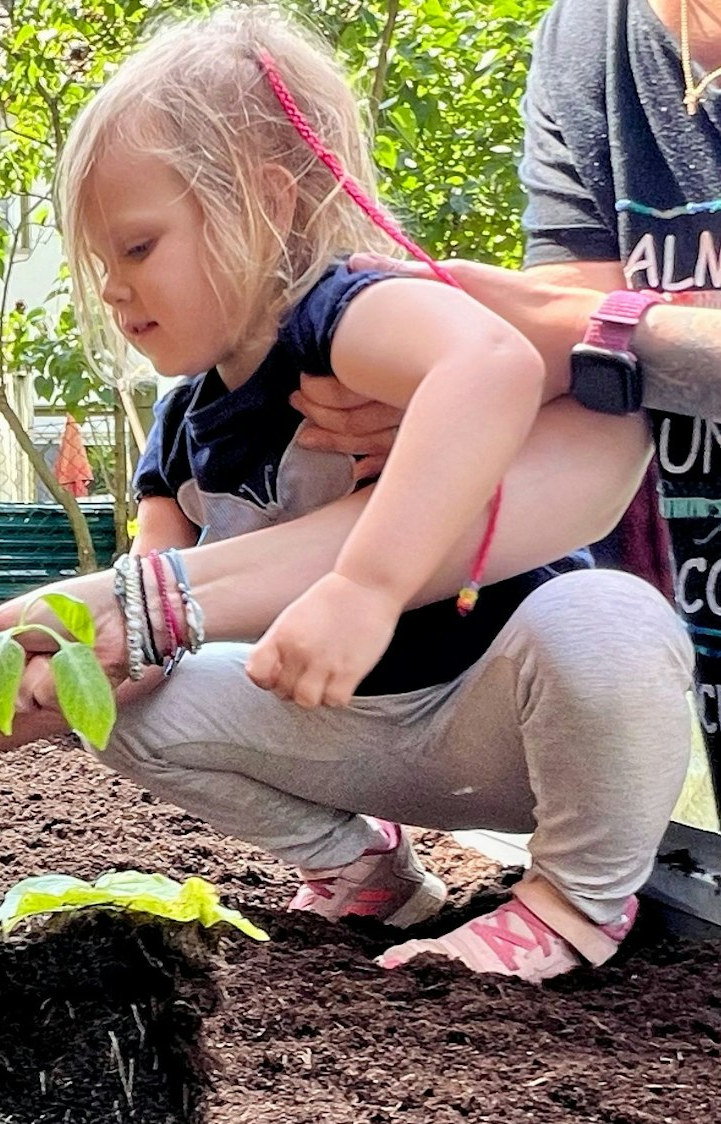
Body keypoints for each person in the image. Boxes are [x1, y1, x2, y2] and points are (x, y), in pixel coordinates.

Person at [0, 6, 695, 982]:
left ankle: (571, 900)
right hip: (340, 723)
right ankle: (362, 869)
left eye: (137, 248)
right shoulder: (179, 424)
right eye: (100, 264)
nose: (116, 292)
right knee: (126, 711)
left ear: (270, 200)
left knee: (610, 620)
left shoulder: (341, 311)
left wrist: (367, 584)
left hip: (503, 712)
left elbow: (492, 361)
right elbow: (142, 634)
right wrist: (10, 696)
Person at [297, 0, 721, 817]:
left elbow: (583, 334)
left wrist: (602, 335)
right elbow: (577, 357)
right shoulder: (588, 35)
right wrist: (468, 396)